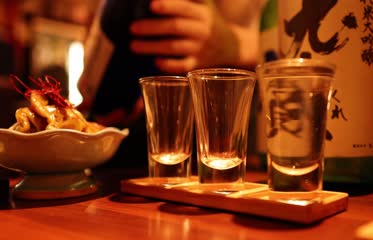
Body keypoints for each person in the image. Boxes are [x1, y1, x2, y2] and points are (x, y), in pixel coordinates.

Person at [78, 0, 266, 168]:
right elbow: (98, 26)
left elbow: (290, 47)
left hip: (240, 144)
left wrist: (235, 44)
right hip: (124, 147)